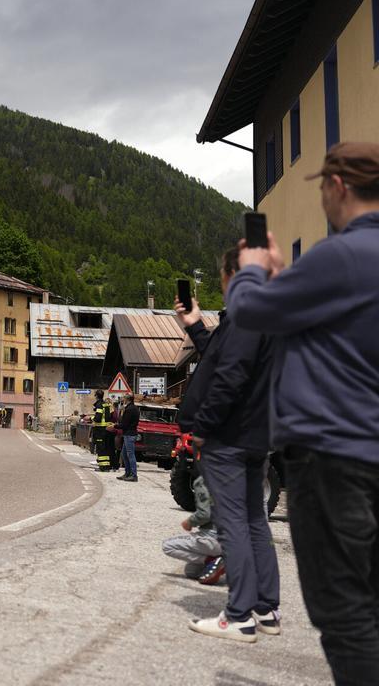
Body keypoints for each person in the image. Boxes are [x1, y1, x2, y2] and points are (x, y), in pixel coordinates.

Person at [227, 141, 379, 679]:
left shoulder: (340, 255)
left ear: (337, 186)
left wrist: (250, 268)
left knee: (345, 611)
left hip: (334, 454)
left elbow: (249, 309)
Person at [179, 245, 279, 644]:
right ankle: (266, 607)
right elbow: (224, 360)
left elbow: (229, 377)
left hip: (229, 437)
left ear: (232, 275)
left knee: (233, 521)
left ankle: (238, 615)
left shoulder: (244, 312)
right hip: (256, 435)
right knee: (255, 521)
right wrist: (195, 326)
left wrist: (202, 427)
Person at [162, 474, 224, 583]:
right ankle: (217, 561)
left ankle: (216, 559)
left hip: (213, 537)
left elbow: (205, 514)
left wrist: (190, 522)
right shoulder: (233, 480)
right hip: (233, 538)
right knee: (191, 571)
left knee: (167, 545)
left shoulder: (203, 480)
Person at [116, 394, 140, 482]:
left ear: (127, 399)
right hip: (129, 434)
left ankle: (133, 475)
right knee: (124, 454)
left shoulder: (129, 409)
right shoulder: (134, 408)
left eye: (124, 398)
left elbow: (124, 424)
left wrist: (114, 426)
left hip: (129, 434)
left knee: (130, 454)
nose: (123, 399)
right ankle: (127, 473)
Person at [91, 391, 113, 471]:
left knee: (100, 448)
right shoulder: (105, 404)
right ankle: (106, 466)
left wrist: (90, 418)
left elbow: (98, 418)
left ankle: (103, 467)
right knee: (105, 448)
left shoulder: (99, 405)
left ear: (96, 396)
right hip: (106, 429)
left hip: (100, 430)